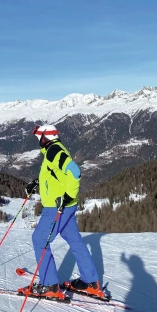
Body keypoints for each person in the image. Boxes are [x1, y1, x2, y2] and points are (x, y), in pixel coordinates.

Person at [24, 124, 102, 301]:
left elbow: (75, 172)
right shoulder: (55, 150)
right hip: (67, 206)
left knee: (39, 239)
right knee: (74, 240)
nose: (38, 141)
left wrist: (67, 196)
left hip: (56, 207)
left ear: (45, 138)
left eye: (39, 138)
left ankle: (49, 285)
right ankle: (91, 282)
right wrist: (37, 182)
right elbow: (57, 174)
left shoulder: (53, 151)